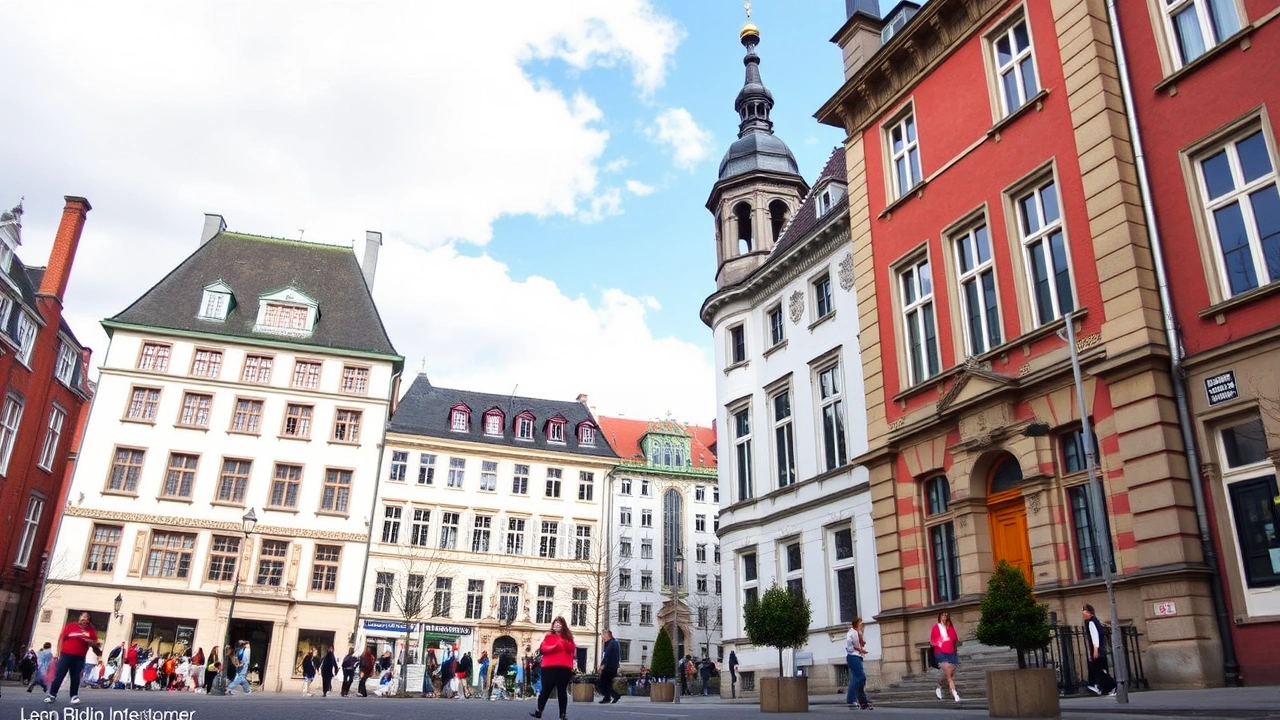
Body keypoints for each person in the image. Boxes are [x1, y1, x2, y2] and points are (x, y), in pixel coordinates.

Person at [44, 611, 100, 705]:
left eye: (86, 619)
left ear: (88, 620)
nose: (84, 620)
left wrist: (88, 640)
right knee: (59, 675)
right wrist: (58, 652)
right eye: (82, 618)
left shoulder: (90, 630)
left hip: (79, 656)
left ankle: (74, 696)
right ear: (79, 618)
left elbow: (95, 642)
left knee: (75, 676)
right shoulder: (70, 626)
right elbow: (61, 639)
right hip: (66, 654)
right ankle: (52, 695)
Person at [529, 616, 576, 720]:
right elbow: (543, 648)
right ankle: (539, 710)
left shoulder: (568, 636)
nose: (557, 625)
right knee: (545, 690)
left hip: (564, 667)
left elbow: (571, 649)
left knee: (562, 691)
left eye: (559, 623)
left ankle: (562, 715)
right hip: (549, 667)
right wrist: (555, 646)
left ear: (563, 625)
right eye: (555, 623)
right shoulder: (548, 635)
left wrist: (561, 643)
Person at [1083, 604, 1118, 696]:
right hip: (1100, 651)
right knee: (1097, 670)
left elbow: (1095, 636)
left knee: (1099, 671)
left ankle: (1112, 686)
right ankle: (1097, 686)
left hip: (1097, 651)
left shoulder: (1091, 622)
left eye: (1085, 613)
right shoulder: (1096, 622)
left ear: (1090, 613)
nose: (1083, 615)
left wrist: (1095, 650)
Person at [930, 610, 961, 702]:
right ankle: (955, 694)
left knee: (950, 673)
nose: (944, 617)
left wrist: (955, 653)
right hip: (940, 653)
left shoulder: (950, 628)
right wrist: (939, 642)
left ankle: (939, 685)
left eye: (946, 615)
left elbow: (955, 641)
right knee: (949, 675)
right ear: (939, 617)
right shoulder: (936, 627)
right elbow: (932, 642)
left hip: (951, 653)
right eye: (942, 615)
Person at [844, 617, 872, 709]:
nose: (862, 625)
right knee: (859, 677)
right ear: (856, 624)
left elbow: (860, 643)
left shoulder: (858, 632)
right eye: (860, 623)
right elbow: (849, 645)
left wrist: (861, 646)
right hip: (853, 656)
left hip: (858, 656)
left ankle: (862, 701)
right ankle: (851, 700)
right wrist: (858, 649)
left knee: (860, 678)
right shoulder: (852, 633)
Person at [596, 630, 621, 704]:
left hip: (608, 667)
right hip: (614, 667)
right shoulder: (616, 643)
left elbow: (607, 655)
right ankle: (608, 697)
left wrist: (602, 665)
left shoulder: (611, 644)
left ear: (608, 636)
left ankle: (614, 695)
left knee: (603, 682)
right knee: (608, 683)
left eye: (604, 636)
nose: (603, 638)